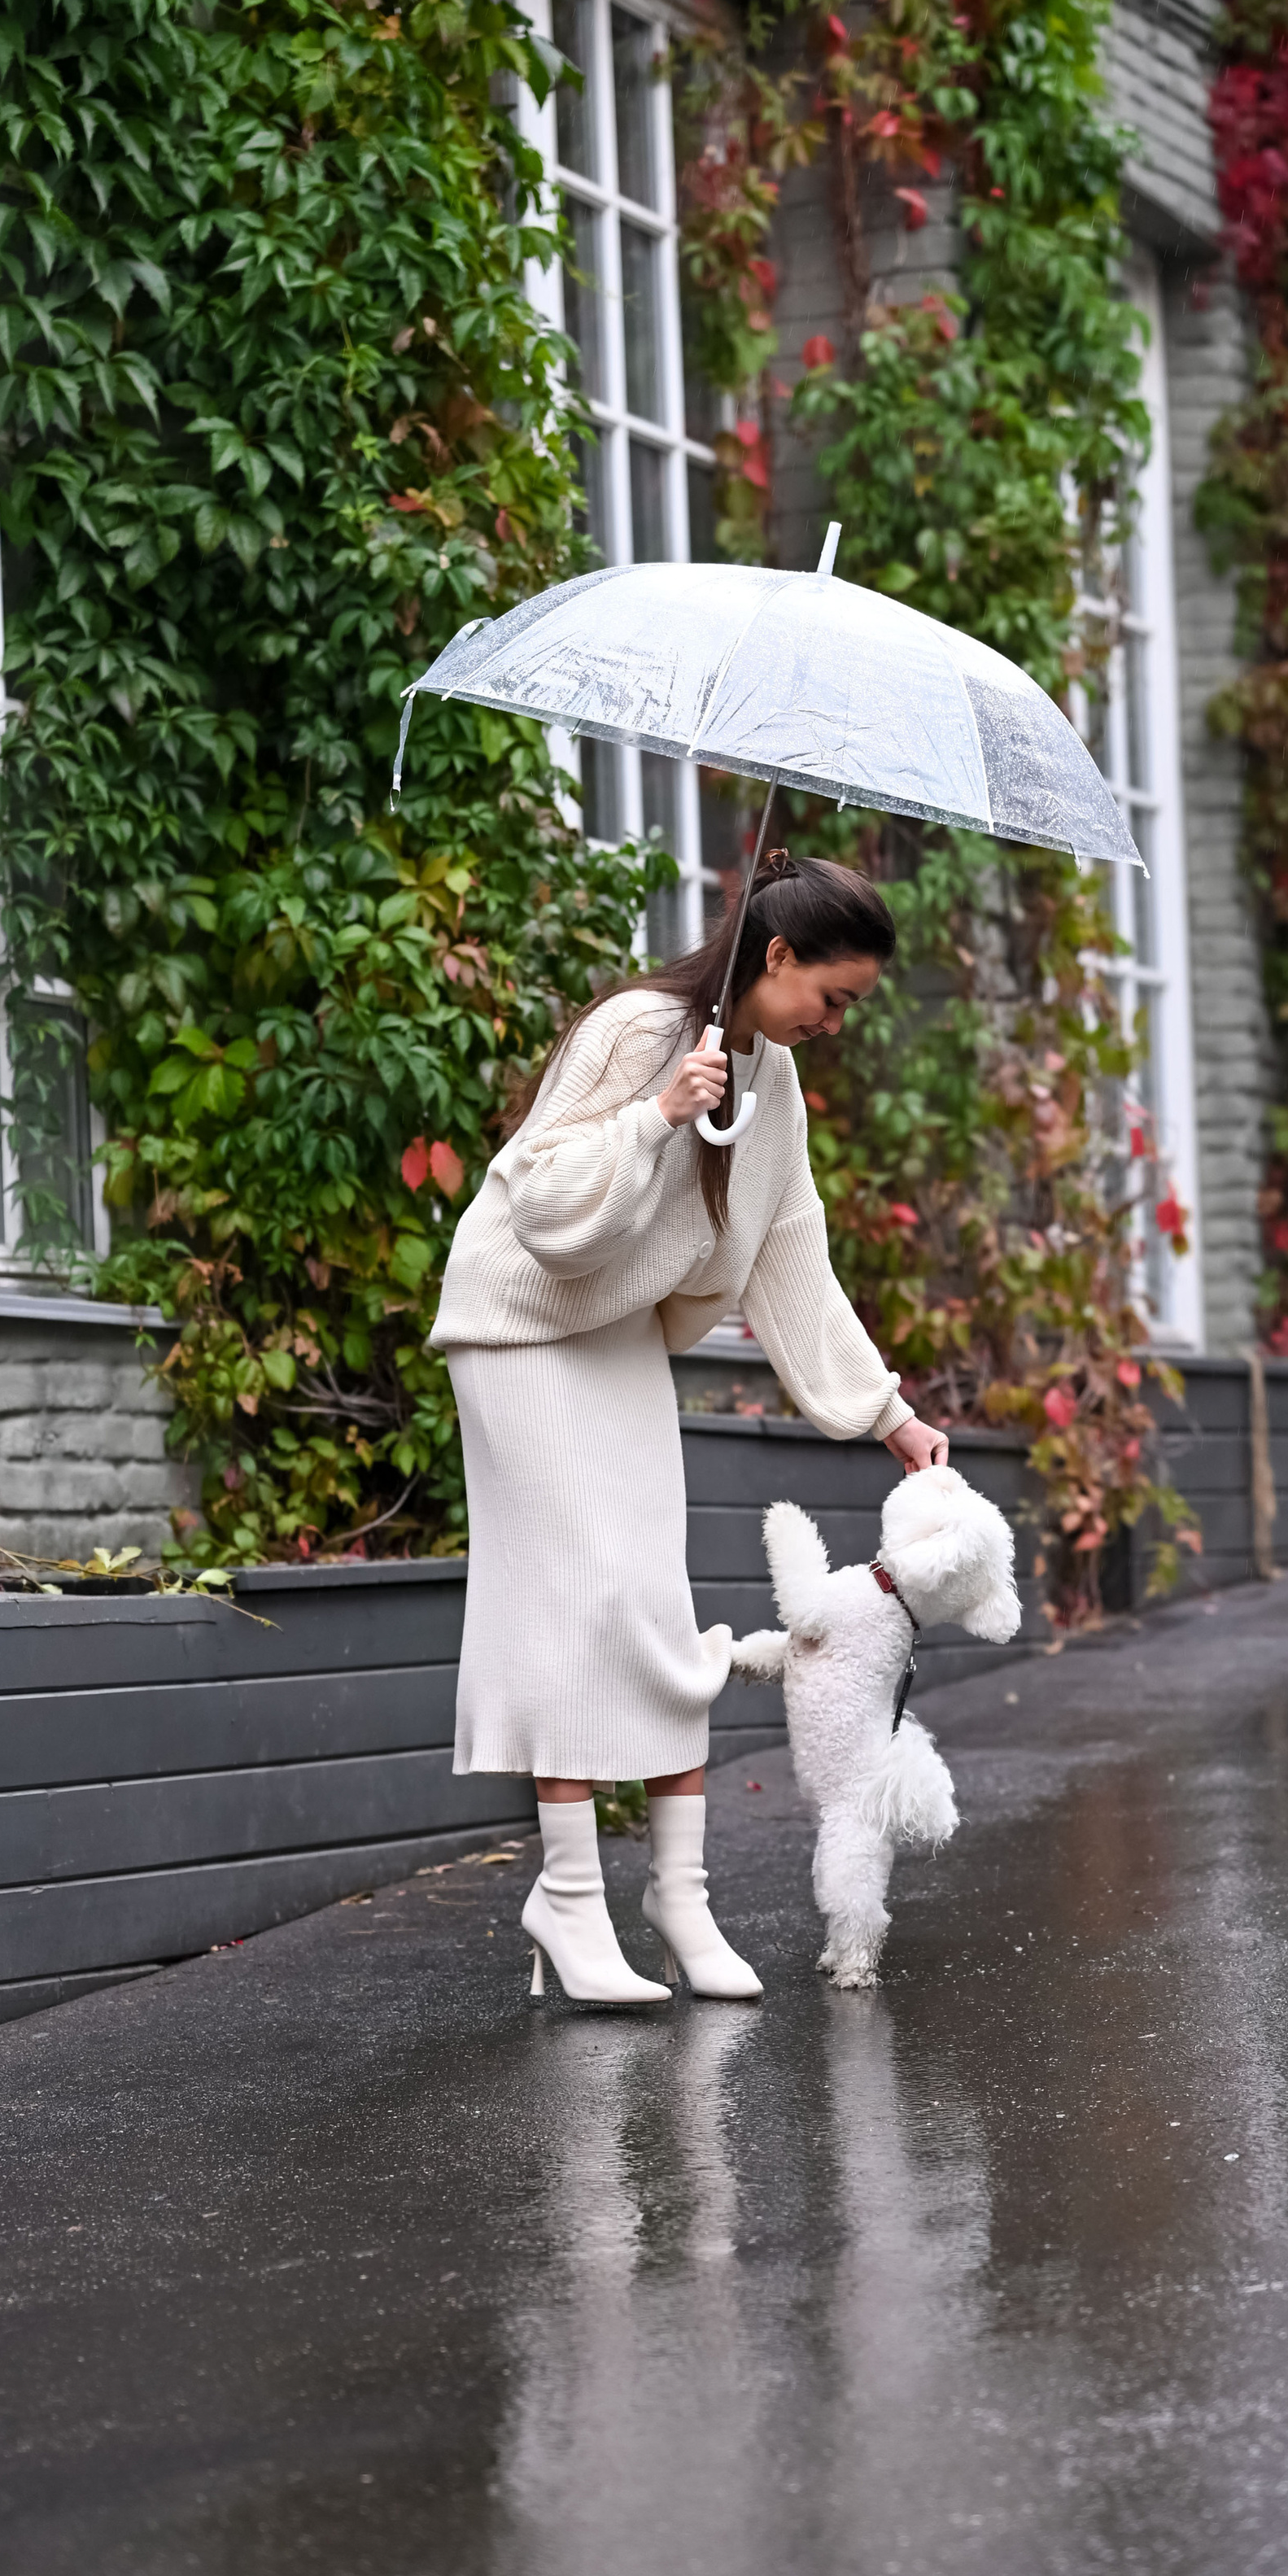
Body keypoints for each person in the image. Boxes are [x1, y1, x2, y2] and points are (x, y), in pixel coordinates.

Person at [429, 849, 950, 2007]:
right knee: (578, 1602)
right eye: (835, 996)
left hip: (609, 1331)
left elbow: (790, 1251)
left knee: (654, 1604)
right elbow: (548, 1205)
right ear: (777, 957)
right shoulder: (637, 1029)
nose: (839, 1021)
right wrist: (662, 1115)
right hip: (522, 1325)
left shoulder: (775, 1079)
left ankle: (678, 1893)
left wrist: (889, 1418)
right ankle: (567, 1902)